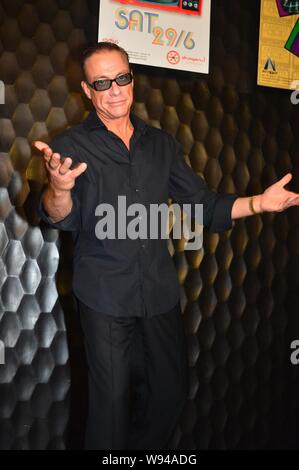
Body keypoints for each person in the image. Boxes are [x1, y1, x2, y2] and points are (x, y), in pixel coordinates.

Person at [34, 42, 299, 450]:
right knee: (110, 411)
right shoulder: (70, 147)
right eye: (102, 83)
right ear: (87, 90)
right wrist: (58, 186)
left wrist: (259, 203)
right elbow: (57, 215)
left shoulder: (161, 145)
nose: (115, 90)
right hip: (104, 296)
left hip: (158, 294)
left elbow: (205, 206)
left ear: (133, 80)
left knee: (170, 396)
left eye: (122, 78)